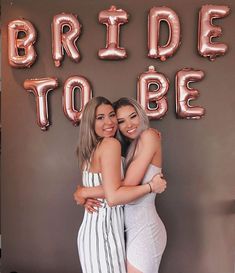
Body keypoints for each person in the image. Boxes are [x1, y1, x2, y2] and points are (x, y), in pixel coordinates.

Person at [76, 96, 166, 273]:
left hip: (144, 229)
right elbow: (115, 187)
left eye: (133, 116)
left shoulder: (148, 136)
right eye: (121, 121)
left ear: (141, 115)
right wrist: (82, 193)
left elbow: (123, 187)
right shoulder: (124, 146)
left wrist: (84, 192)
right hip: (126, 231)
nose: (129, 125)